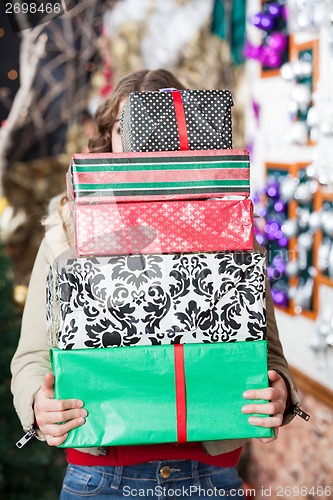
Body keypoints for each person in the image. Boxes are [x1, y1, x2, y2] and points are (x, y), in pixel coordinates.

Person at [11, 69, 301, 500]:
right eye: (124, 129)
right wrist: (38, 402)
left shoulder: (228, 226)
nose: (141, 145)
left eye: (159, 127)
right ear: (107, 137)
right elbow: (32, 356)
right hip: (102, 479)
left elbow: (268, 351)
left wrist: (282, 393)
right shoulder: (65, 231)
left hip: (210, 478)